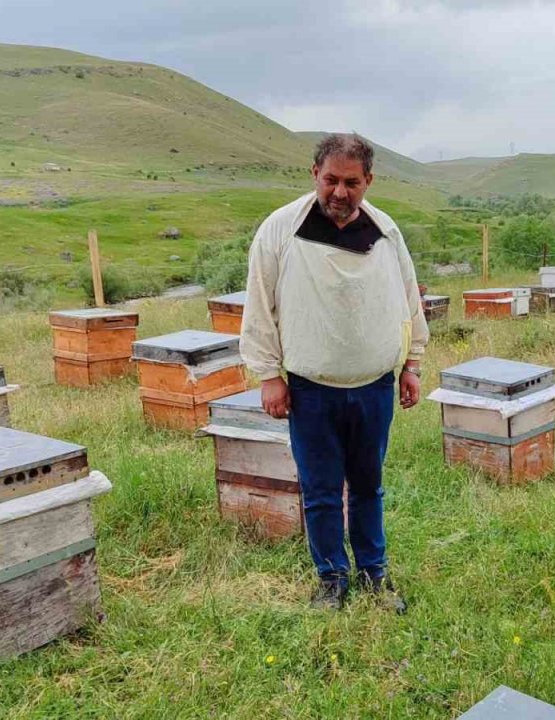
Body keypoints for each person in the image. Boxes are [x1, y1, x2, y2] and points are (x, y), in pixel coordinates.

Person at [240, 133, 429, 612]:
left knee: (368, 486)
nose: (339, 192)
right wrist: (268, 375)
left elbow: (408, 300)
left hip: (373, 388)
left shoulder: (385, 231)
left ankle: (373, 574)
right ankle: (331, 579)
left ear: (368, 181)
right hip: (310, 391)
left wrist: (412, 364)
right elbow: (259, 305)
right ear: (314, 175)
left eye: (351, 182)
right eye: (330, 180)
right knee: (321, 491)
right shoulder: (281, 229)